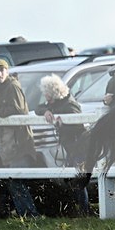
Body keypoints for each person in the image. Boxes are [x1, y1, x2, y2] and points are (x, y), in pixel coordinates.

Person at [0, 59, 40, 217]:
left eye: (2, 70)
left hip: (20, 142)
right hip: (9, 144)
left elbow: (19, 110)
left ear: (7, 71)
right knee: (14, 181)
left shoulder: (12, 86)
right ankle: (26, 215)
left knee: (16, 180)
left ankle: (31, 215)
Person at [36, 75, 90, 215]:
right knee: (72, 177)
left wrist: (62, 125)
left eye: (46, 93)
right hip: (70, 146)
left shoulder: (70, 105)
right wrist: (46, 111)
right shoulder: (56, 103)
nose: (45, 96)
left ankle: (84, 210)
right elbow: (38, 108)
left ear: (52, 93)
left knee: (78, 178)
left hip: (78, 146)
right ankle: (78, 209)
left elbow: (78, 125)